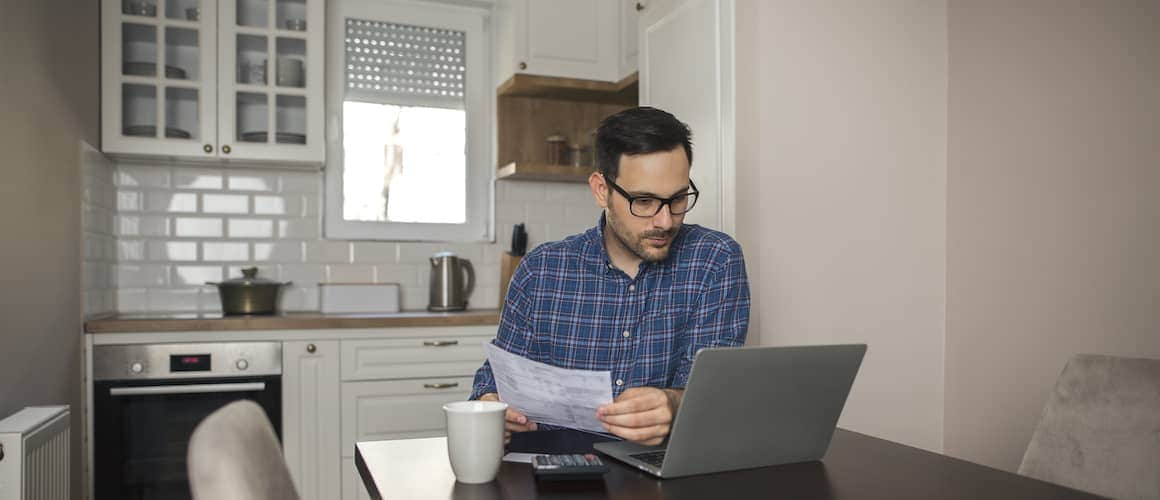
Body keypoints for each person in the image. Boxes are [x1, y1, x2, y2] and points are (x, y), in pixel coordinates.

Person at [470, 107, 750, 446]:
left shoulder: (715, 262)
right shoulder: (540, 270)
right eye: (644, 201)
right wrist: (490, 408)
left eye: (677, 199)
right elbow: (493, 381)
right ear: (602, 189)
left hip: (660, 473)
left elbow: (711, 392)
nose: (664, 221)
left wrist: (674, 404)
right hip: (552, 470)